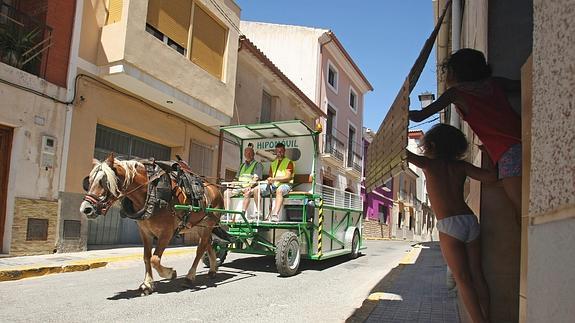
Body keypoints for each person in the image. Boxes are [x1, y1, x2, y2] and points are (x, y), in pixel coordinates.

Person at [409, 48, 522, 223]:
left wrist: (403, 112)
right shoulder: (495, 83)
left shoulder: (457, 93)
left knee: (521, 209)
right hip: (525, 138)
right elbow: (520, 84)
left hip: (506, 152)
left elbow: (420, 116)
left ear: (453, 73)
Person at [407, 124, 496, 323]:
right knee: (477, 275)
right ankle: (487, 318)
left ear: (431, 145)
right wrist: (488, 152)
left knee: (463, 279)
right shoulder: (461, 166)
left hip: (449, 225)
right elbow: (490, 177)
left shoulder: (427, 164)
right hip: (469, 220)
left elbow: (400, 153)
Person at [253, 142, 295, 222]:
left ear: (284, 151)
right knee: (256, 189)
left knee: (279, 190)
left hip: (286, 185)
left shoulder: (289, 162)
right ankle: (259, 213)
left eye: (281, 151)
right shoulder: (273, 163)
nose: (279, 153)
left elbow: (287, 177)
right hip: (274, 185)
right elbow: (271, 177)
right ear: (275, 152)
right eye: (278, 151)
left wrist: (274, 179)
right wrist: (269, 180)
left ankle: (275, 215)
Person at [224, 143, 263, 219]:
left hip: (250, 187)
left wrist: (249, 186)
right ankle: (227, 214)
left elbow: (256, 178)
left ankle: (242, 213)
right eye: (246, 153)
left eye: (250, 153)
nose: (248, 155)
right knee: (226, 192)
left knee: (247, 192)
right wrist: (232, 185)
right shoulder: (242, 165)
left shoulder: (257, 165)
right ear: (244, 154)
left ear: (253, 154)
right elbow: (236, 178)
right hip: (240, 186)